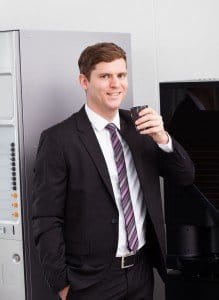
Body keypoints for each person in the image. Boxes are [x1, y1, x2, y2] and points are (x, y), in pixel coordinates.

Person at [32, 42, 194, 300]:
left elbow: (185, 176)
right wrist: (61, 284)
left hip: (141, 271)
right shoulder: (58, 140)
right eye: (105, 76)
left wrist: (163, 138)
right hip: (90, 281)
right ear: (84, 81)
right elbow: (46, 219)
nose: (116, 84)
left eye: (121, 75)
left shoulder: (141, 128)